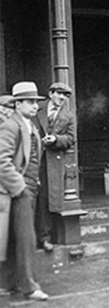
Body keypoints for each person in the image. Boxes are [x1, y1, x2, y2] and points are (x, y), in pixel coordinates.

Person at [0, 82, 49, 301]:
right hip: (17, 190)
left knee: (15, 238)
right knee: (26, 239)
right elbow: (1, 160)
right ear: (17, 104)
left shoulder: (28, 125)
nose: (35, 106)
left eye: (36, 102)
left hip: (28, 187)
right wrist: (19, 188)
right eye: (30, 102)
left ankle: (8, 283)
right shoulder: (11, 126)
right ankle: (29, 287)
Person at [34, 82, 75, 253]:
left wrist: (56, 139)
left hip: (53, 162)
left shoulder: (69, 115)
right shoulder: (37, 107)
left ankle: (46, 238)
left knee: (48, 199)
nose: (62, 99)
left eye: (65, 96)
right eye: (59, 94)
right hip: (33, 157)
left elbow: (71, 138)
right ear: (51, 93)